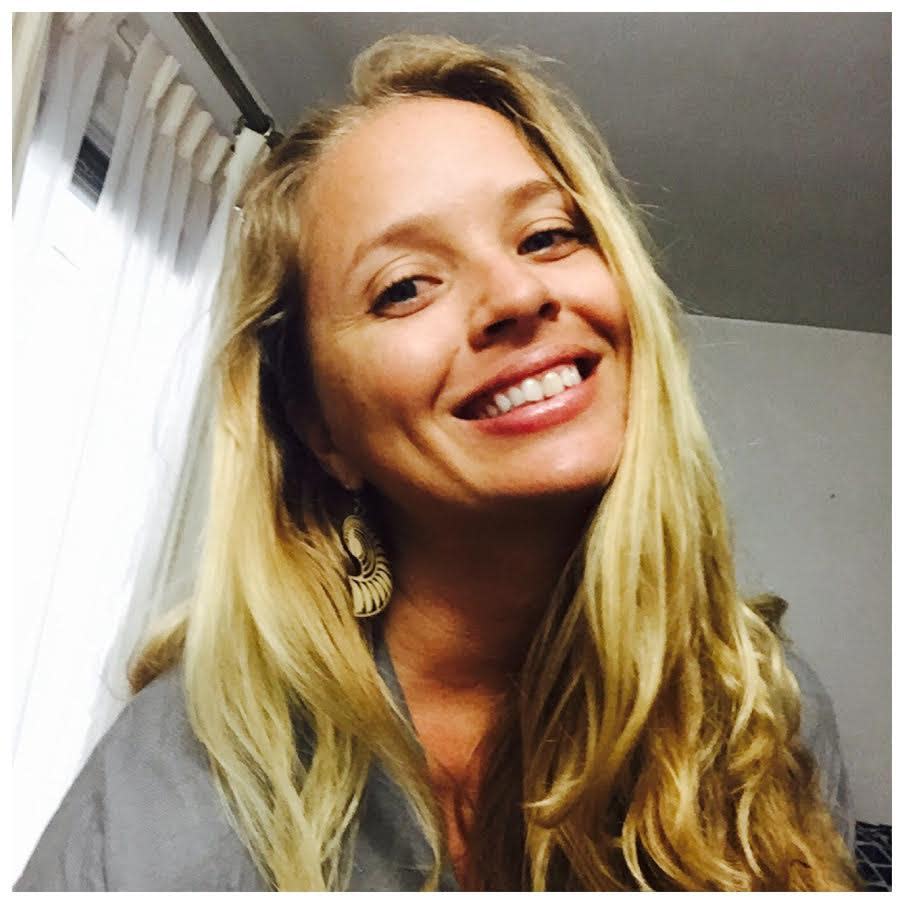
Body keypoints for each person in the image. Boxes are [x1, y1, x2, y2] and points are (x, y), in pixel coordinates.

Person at [15, 33, 860, 891]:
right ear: (319, 430)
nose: (519, 294)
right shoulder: (176, 772)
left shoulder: (762, 713)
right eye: (405, 287)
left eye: (547, 236)